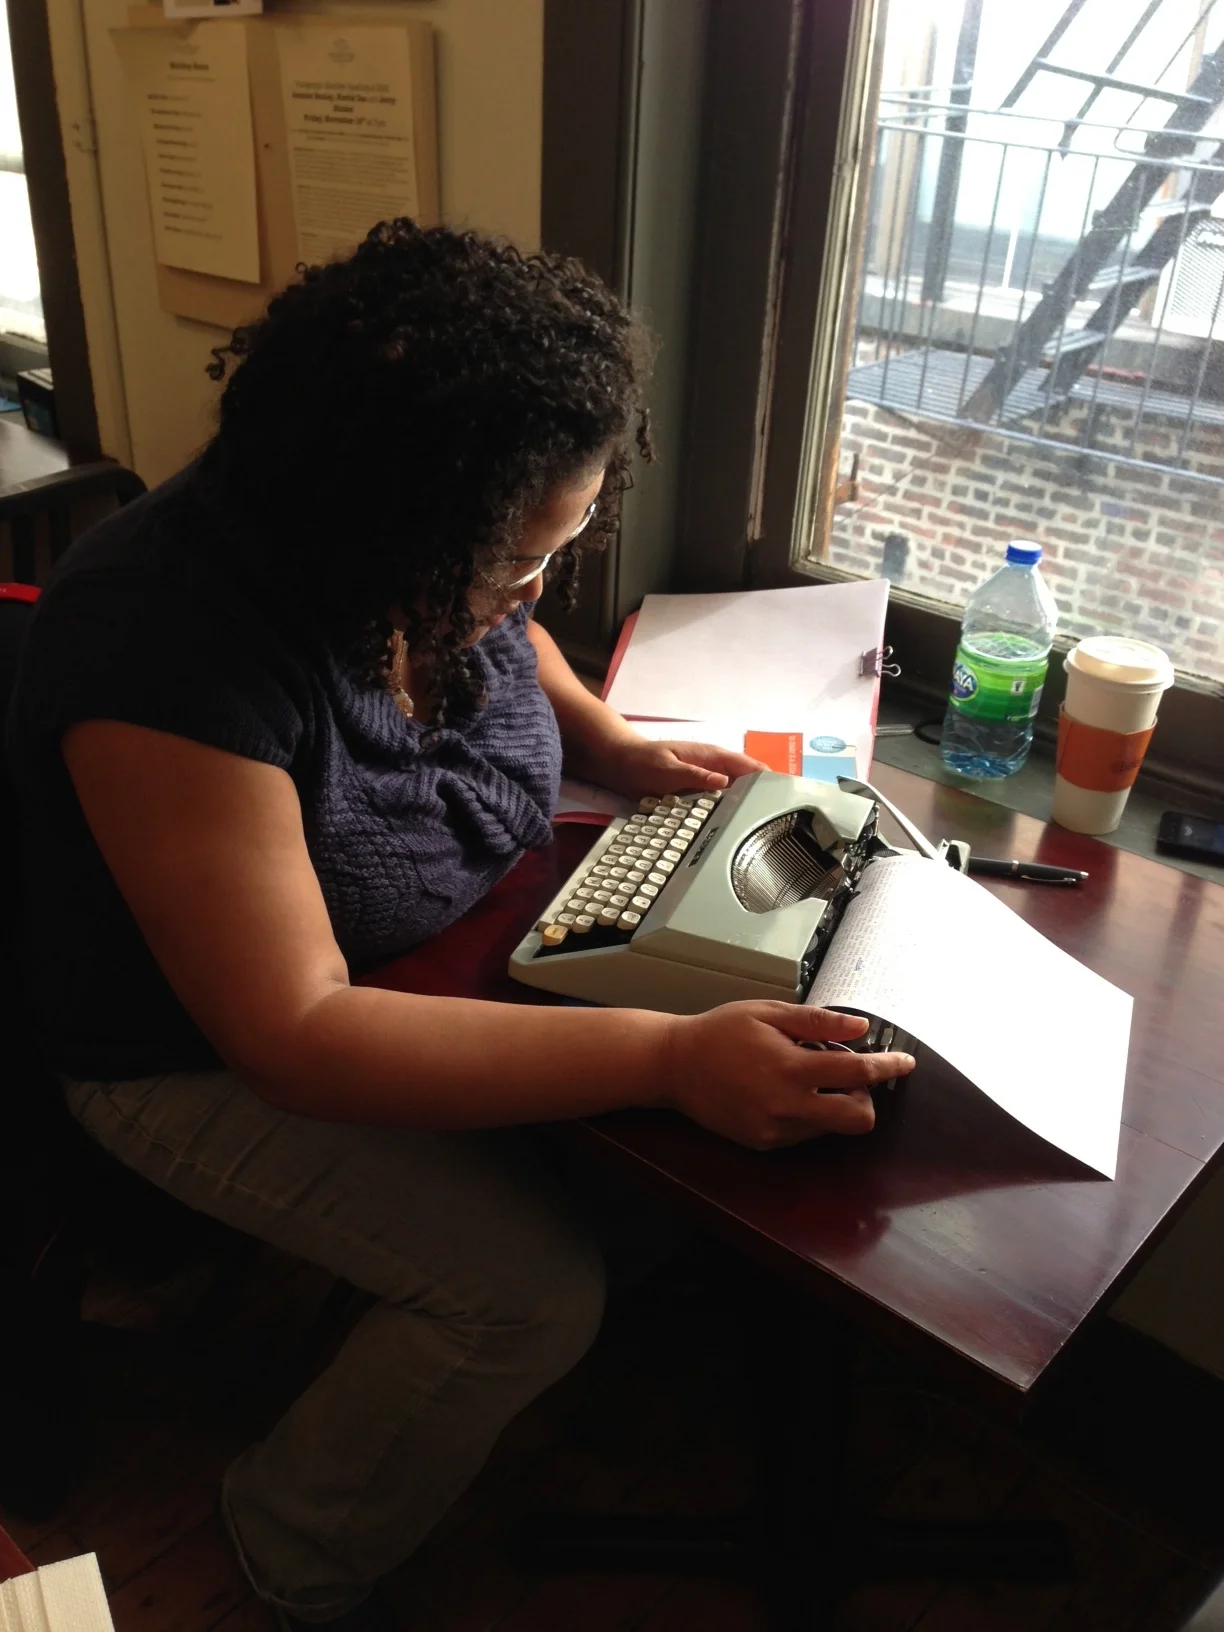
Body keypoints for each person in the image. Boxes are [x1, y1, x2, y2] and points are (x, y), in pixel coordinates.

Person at [7, 219, 914, 1628]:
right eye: (510, 560)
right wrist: (667, 1057)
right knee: (524, 1294)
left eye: (558, 545)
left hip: (405, 957)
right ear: (397, 531)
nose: (532, 592)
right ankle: (286, 1554)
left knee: (653, 1162)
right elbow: (294, 1036)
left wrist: (610, 741)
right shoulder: (163, 646)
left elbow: (508, 631)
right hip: (183, 1052)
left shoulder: (422, 547)